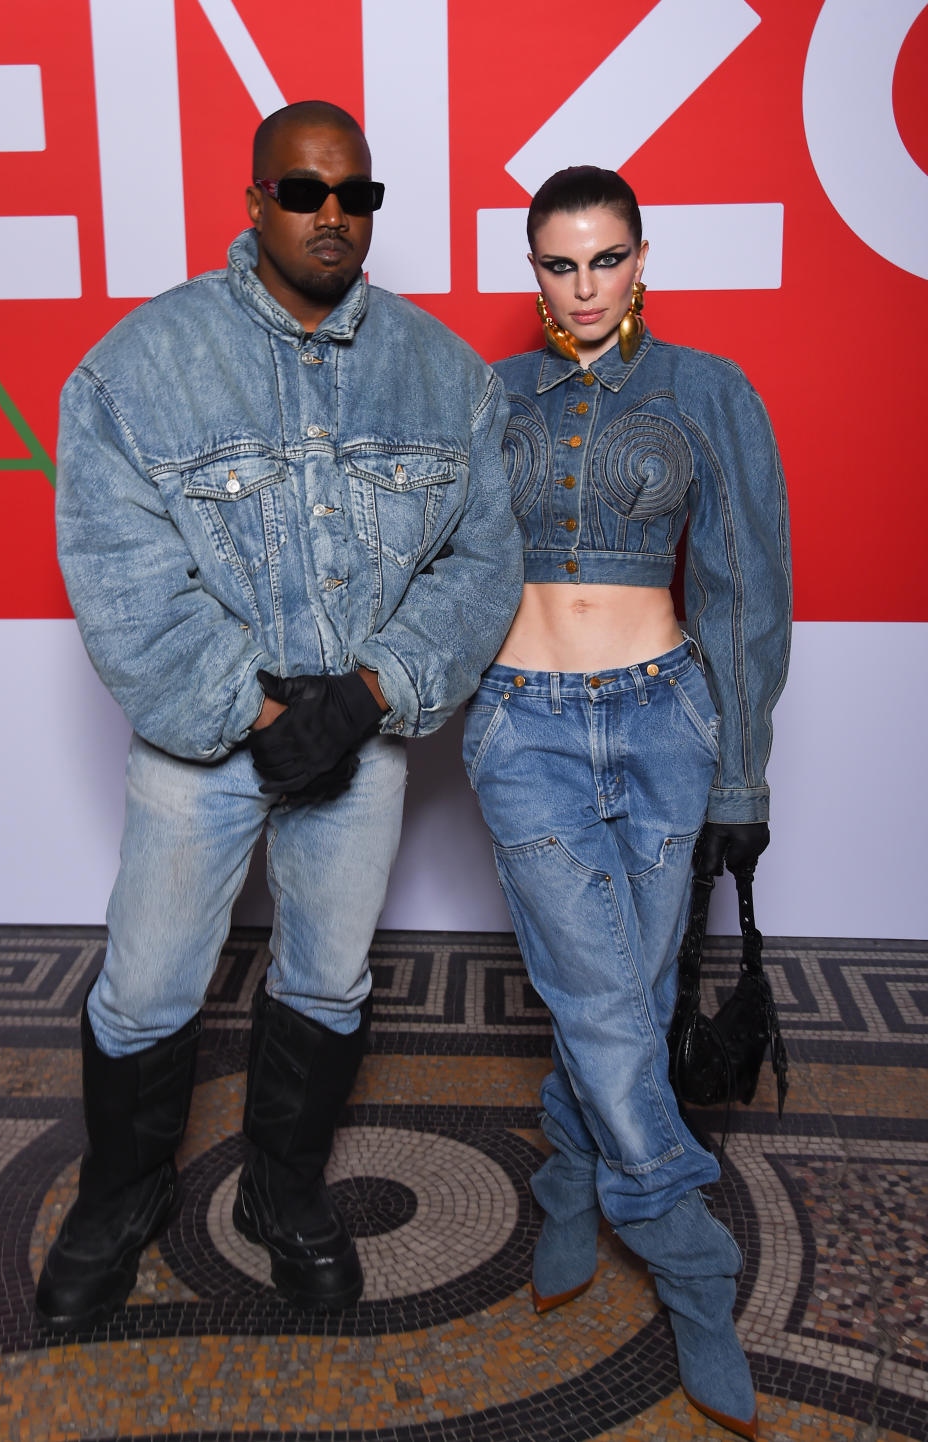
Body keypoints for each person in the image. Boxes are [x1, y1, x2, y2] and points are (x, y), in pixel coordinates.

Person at [37, 100, 521, 1332]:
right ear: (253, 203)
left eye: (355, 197)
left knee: (328, 974)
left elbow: (482, 566)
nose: (331, 218)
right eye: (303, 193)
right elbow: (120, 568)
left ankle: (282, 1191)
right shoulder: (139, 365)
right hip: (198, 752)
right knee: (148, 986)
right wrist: (249, 709)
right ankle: (120, 1195)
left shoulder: (446, 373)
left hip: (359, 743)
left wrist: (368, 695)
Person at [463, 167, 791, 1440]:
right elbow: (442, 557)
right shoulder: (491, 398)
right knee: (602, 995)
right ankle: (692, 1257)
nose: (583, 287)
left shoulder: (708, 391)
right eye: (559, 263)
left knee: (637, 991)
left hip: (666, 716)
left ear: (643, 259)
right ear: (533, 268)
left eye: (605, 260)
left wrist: (739, 769)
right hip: (524, 722)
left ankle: (569, 1169)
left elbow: (742, 585)